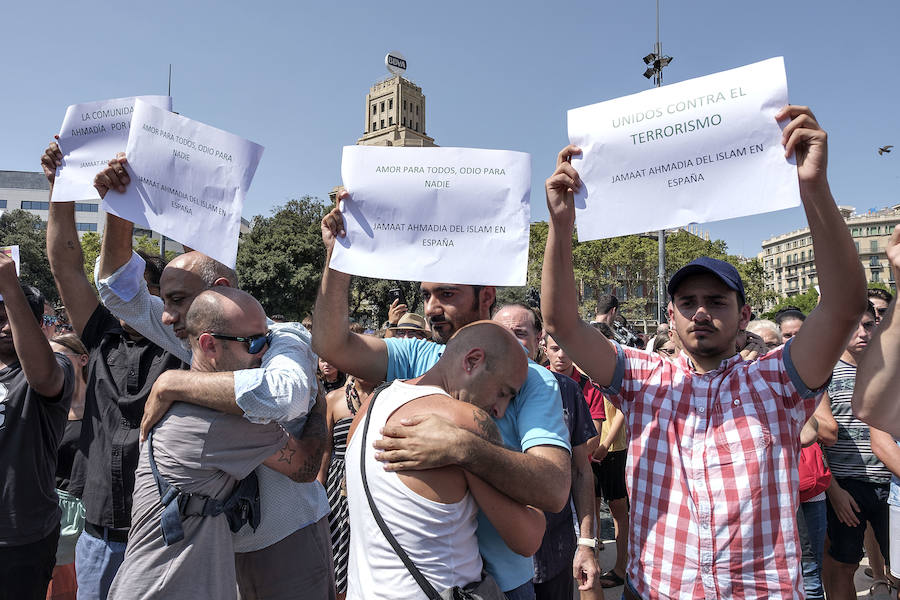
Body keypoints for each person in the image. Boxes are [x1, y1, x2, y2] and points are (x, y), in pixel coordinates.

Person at [540, 105, 868, 600]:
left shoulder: (778, 380)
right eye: (687, 302)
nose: (700, 312)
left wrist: (813, 187)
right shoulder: (642, 377)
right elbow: (562, 323)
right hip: (658, 590)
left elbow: (844, 306)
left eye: (716, 301)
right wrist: (560, 226)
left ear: (743, 313)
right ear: (670, 317)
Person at [87, 152, 333, 599]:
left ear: (216, 294)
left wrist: (175, 383)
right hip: (216, 550)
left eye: (177, 300)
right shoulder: (191, 335)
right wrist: (119, 206)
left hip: (287, 543)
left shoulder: (282, 337)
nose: (165, 316)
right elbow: (119, 295)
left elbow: (286, 396)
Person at [314, 196, 572, 600]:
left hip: (501, 584)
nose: (432, 309)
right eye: (427, 295)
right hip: (422, 576)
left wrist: (462, 446)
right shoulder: (417, 359)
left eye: (447, 294)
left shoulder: (532, 379)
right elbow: (332, 344)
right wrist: (338, 259)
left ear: (485, 295)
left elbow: (555, 488)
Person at [42, 142, 188, 599]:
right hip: (99, 535)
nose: (127, 298)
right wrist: (61, 190)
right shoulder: (99, 331)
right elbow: (66, 265)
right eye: (121, 286)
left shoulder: (188, 347)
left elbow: (207, 272)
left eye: (142, 289)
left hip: (166, 536)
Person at [107, 288, 313, 599]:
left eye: (267, 341)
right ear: (209, 344)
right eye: (255, 343)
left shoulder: (184, 395)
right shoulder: (220, 421)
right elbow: (306, 466)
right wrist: (318, 399)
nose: (264, 354)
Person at [345, 322, 546, 600]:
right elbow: (528, 538)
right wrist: (536, 488)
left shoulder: (369, 406)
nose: (500, 410)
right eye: (503, 392)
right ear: (473, 361)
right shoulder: (464, 422)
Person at [492, 304, 600, 599]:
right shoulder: (474, 391)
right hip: (494, 562)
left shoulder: (566, 390)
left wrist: (587, 543)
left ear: (539, 337)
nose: (511, 342)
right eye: (501, 333)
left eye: (519, 333)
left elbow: (581, 470)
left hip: (554, 552)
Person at [0, 256, 75, 600]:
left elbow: (44, 379)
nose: (5, 327)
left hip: (21, 537)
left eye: (12, 319)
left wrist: (10, 286)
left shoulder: (55, 365)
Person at [816, 303, 893, 600]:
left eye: (868, 325)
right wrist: (834, 491)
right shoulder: (823, 373)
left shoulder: (889, 368)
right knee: (842, 568)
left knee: (897, 567)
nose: (862, 333)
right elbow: (816, 440)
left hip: (891, 485)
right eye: (854, 327)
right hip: (846, 488)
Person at [318, 369, 382, 600]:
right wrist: (318, 491)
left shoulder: (386, 397)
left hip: (374, 484)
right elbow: (324, 452)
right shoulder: (333, 399)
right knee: (338, 547)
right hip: (339, 487)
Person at [583, 323, 629, 590]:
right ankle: (595, 566)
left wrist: (604, 444)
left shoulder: (616, 370)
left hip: (613, 450)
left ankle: (621, 567)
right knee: (592, 509)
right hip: (591, 451)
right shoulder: (583, 370)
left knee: (618, 511)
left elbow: (623, 410)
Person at [46, 334, 90, 600]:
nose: (52, 364)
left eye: (59, 356)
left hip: (93, 510)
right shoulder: (45, 405)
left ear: (83, 359)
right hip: (55, 511)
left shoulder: (102, 404)